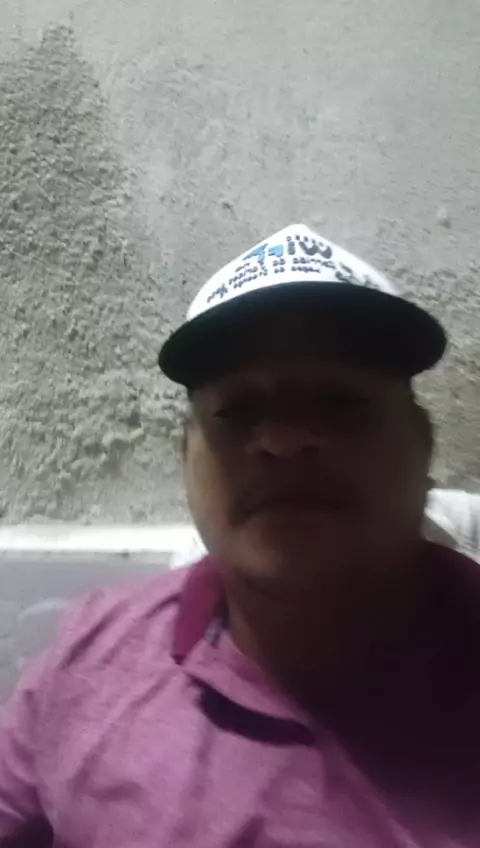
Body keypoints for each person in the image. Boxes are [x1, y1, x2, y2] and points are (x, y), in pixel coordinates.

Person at [1, 223, 479, 846]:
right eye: (238, 410)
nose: (283, 440)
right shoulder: (89, 655)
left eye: (341, 403)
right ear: (186, 460)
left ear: (422, 448)